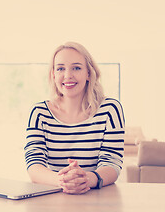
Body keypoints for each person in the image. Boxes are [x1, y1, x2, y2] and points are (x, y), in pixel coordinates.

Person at [24, 41, 125, 194]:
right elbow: (34, 165)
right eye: (60, 69)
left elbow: (112, 163)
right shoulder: (39, 113)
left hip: (96, 199)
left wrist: (87, 179)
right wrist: (62, 181)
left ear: (89, 74)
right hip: (51, 199)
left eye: (76, 68)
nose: (68, 75)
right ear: (53, 74)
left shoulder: (110, 109)